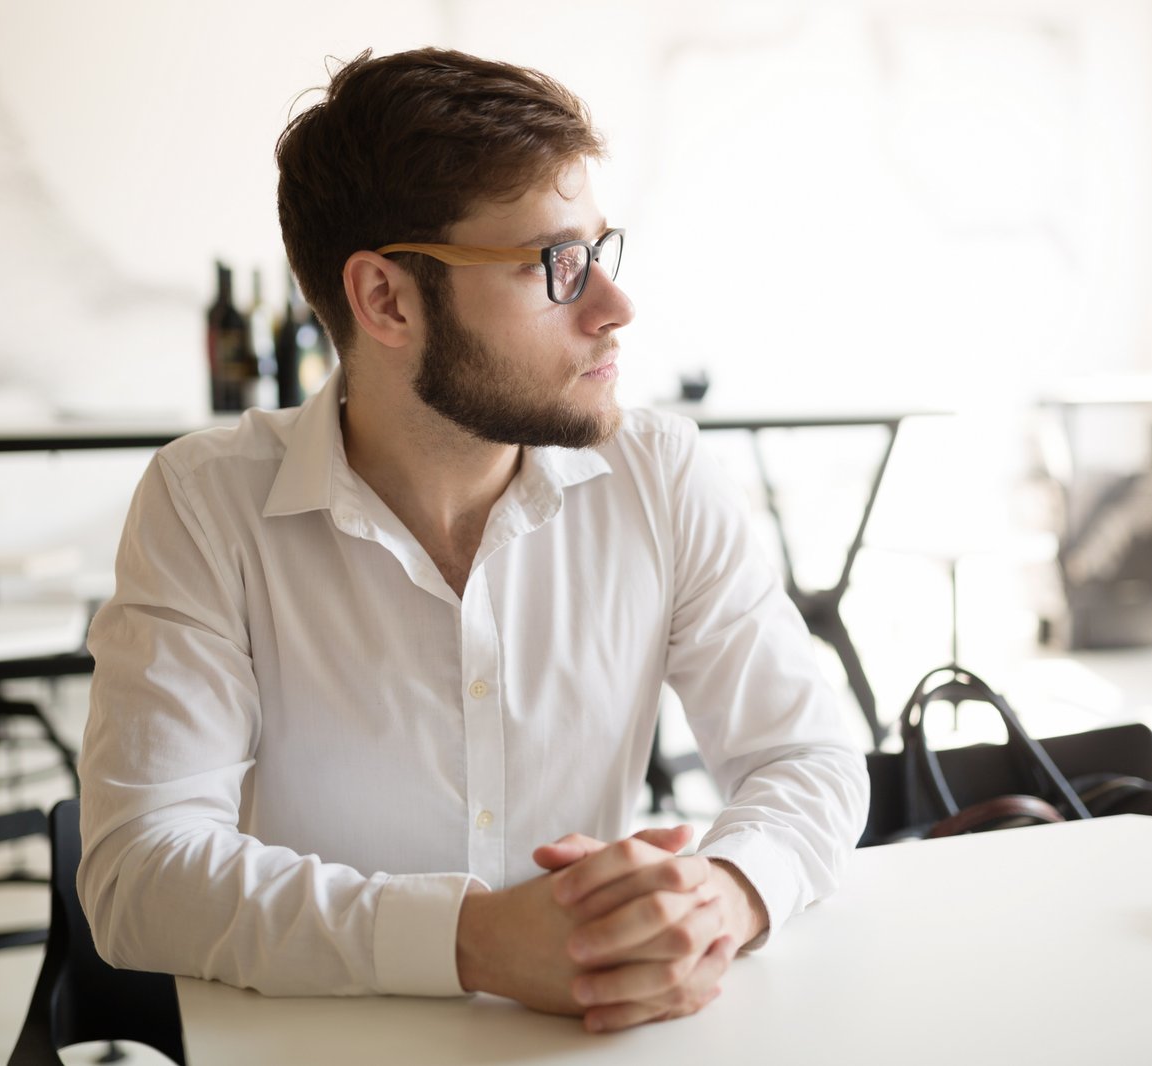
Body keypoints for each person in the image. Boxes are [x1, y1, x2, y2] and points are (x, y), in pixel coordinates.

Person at [77, 46, 868, 1034]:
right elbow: (138, 872)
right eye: (555, 264)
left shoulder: (659, 472)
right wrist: (473, 938)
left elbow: (808, 757)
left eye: (600, 250)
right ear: (387, 300)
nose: (615, 308)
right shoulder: (207, 502)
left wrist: (726, 890)